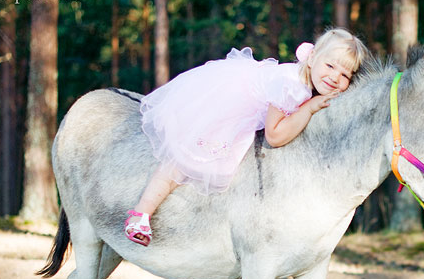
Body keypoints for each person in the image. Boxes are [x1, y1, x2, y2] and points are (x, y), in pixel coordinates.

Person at [124, 28, 368, 246]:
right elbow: (275, 135)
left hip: (244, 93)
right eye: (330, 66)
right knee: (186, 156)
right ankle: (141, 214)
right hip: (228, 101)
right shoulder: (292, 85)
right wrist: (310, 108)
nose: (335, 77)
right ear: (312, 59)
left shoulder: (307, 82)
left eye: (345, 75)